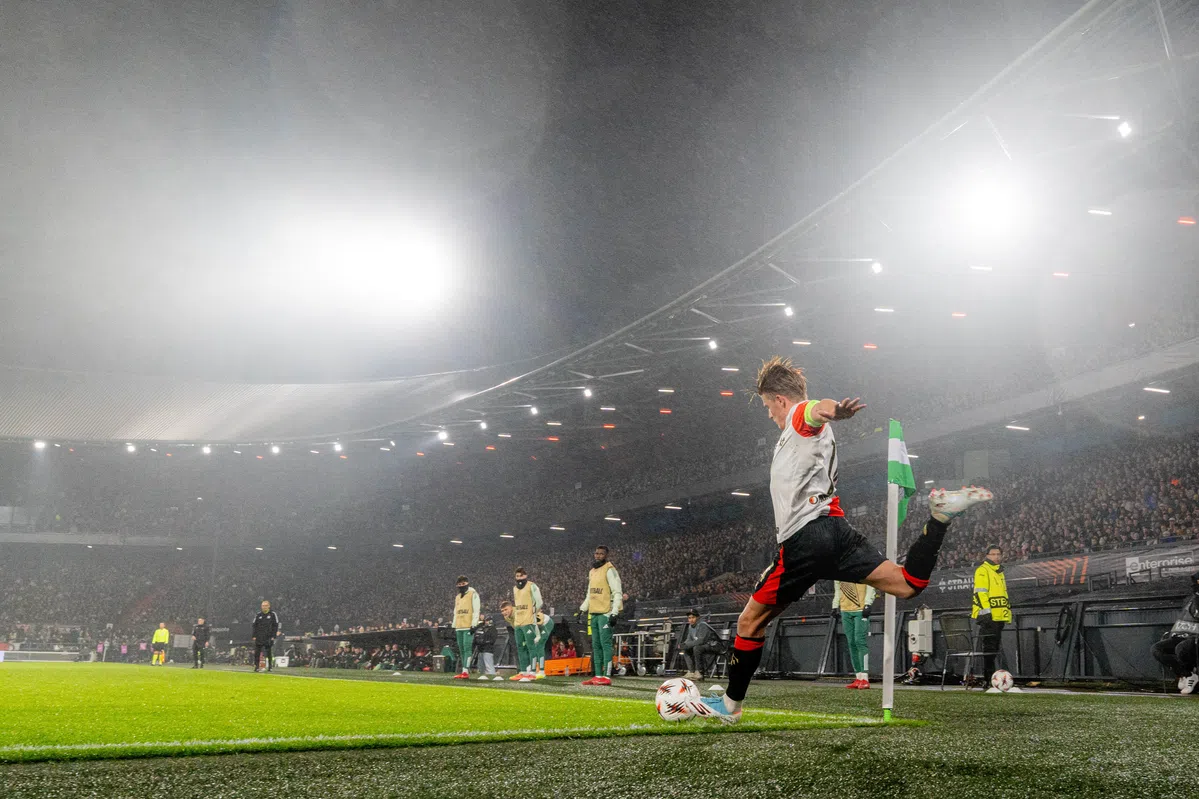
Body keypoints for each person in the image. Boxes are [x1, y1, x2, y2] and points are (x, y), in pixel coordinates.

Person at [699, 356, 993, 722]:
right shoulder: (800, 435)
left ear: (778, 399)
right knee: (906, 584)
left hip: (806, 537)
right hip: (835, 531)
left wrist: (834, 410)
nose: (768, 415)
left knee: (748, 622)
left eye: (766, 406)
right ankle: (939, 519)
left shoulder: (798, 417)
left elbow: (815, 410)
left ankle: (730, 707)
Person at [579, 545, 622, 686]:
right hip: (594, 613)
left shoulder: (610, 570)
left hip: (605, 612)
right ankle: (597, 675)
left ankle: (607, 676)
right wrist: (582, 609)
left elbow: (617, 592)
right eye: (596, 553)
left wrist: (614, 612)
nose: (598, 556)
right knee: (596, 645)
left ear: (606, 555)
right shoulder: (592, 571)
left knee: (606, 644)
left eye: (601, 554)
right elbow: (589, 594)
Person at [1150, 571, 1199, 694]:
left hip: (1195, 637)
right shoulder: (1190, 599)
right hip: (1181, 635)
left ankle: (1190, 675)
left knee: (1180, 648)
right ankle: (1185, 674)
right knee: (1156, 649)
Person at [972, 546, 1011, 679]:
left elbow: (1003, 595)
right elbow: (980, 593)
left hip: (999, 616)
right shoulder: (982, 570)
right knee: (989, 647)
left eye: (998, 554)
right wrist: (987, 613)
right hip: (988, 616)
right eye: (993, 554)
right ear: (987, 556)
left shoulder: (999, 572)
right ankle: (988, 678)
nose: (996, 557)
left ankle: (992, 677)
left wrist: (1006, 612)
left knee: (994, 647)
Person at [832, 581, 876, 689]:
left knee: (859, 641)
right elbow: (838, 590)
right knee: (851, 643)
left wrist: (868, 603)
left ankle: (865, 678)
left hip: (860, 609)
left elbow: (871, 586)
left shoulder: (861, 569)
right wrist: (835, 605)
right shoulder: (838, 573)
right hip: (845, 610)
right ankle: (858, 677)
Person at [510, 567, 543, 682]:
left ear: (526, 576)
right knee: (520, 647)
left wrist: (534, 612)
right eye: (517, 576)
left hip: (528, 621)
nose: (519, 578)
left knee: (531, 646)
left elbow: (539, 602)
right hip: (518, 622)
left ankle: (533, 672)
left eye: (521, 576)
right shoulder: (514, 588)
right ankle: (523, 671)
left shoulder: (532, 586)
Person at [679, 609, 723, 680]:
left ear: (697, 617)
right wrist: (684, 644)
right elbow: (689, 639)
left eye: (693, 617)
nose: (691, 620)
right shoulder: (690, 627)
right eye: (689, 618)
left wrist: (688, 645)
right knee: (686, 649)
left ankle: (698, 672)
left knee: (697, 648)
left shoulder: (702, 625)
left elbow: (701, 640)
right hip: (704, 645)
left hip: (714, 645)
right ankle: (691, 672)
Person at [452, 575, 480, 680]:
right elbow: (456, 611)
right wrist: (454, 625)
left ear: (467, 583)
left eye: (463, 584)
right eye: (459, 584)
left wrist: (474, 624)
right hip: (459, 626)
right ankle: (464, 670)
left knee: (467, 648)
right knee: (461, 649)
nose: (461, 586)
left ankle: (465, 670)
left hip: (468, 626)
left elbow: (476, 609)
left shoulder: (473, 594)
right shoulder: (458, 597)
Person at [252, 600, 280, 672]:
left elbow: (275, 625)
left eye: (265, 606)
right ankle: (257, 666)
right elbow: (254, 625)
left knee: (269, 652)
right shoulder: (258, 615)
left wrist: (273, 635)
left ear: (268, 606)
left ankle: (270, 666)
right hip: (259, 637)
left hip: (268, 637)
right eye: (262, 606)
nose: (264, 607)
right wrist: (254, 635)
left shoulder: (273, 614)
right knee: (257, 652)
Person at [476, 615, 502, 681]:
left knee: (489, 666)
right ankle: (484, 677)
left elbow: (492, 640)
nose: (486, 622)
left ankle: (492, 677)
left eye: (487, 621)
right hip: (481, 649)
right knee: (481, 667)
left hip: (488, 649)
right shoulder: (483, 628)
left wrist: (483, 641)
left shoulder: (493, 629)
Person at [534, 610, 555, 679]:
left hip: (545, 623)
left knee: (539, 645)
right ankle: (533, 670)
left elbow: (539, 619)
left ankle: (541, 671)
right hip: (536, 626)